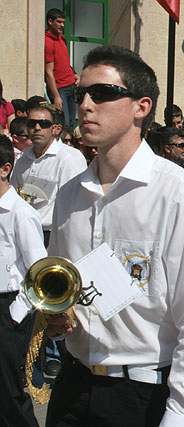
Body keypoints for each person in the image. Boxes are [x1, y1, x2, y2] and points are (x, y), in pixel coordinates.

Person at [43, 45, 184, 427]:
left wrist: (181, 414)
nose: (86, 105)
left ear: (141, 107)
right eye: (80, 94)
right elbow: (63, 285)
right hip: (73, 386)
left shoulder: (181, 196)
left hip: (141, 394)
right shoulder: (70, 194)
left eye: (103, 93)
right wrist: (57, 317)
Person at [0, 135, 47, 427]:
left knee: (9, 391)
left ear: (5, 169)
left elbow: (38, 273)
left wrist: (15, 315)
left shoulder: (21, 213)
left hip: (7, 307)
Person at [10, 105, 86, 246]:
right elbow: (14, 197)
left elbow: (72, 208)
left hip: (49, 236)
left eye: (44, 124)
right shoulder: (22, 160)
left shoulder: (67, 161)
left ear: (54, 129)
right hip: (21, 232)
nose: (37, 128)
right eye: (32, 124)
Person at [44, 9, 79, 128]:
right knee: (63, 123)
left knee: (71, 123)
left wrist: (75, 75)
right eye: (59, 22)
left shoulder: (61, 38)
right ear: (50, 21)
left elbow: (65, 62)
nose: (62, 25)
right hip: (60, 88)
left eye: (63, 22)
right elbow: (49, 71)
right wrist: (56, 95)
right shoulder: (47, 42)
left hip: (71, 85)